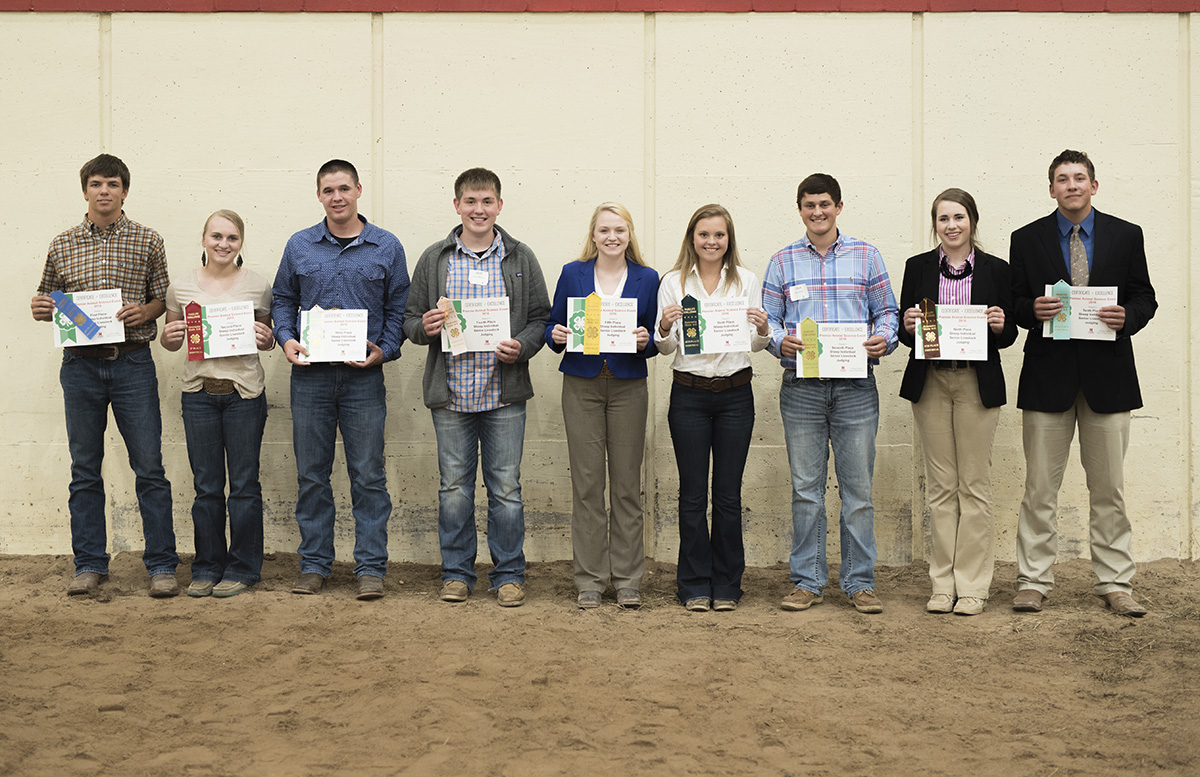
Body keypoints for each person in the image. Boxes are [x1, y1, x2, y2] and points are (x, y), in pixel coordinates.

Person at [1009, 150, 1157, 617]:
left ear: (1094, 185)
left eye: (1079, 178)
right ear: (1050, 189)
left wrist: (1127, 317)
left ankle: (1115, 582)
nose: (1071, 185)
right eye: (1061, 179)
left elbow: (1145, 297)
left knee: (1109, 487)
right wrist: (1031, 310)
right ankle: (1033, 580)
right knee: (1039, 487)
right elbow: (1012, 302)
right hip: (1047, 376)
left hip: (1108, 378)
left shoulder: (1126, 235)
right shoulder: (1027, 238)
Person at [30, 153, 180, 597]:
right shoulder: (62, 244)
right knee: (84, 470)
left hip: (133, 362)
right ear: (85, 190)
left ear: (125, 191)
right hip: (79, 368)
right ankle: (90, 564)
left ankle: (161, 566)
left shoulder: (148, 240)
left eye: (112, 184)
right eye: (96, 184)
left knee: (150, 467)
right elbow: (47, 299)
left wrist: (146, 310)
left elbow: (161, 298)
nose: (104, 191)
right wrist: (40, 308)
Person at [402, 168, 550, 608]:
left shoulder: (520, 258)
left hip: (503, 394)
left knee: (505, 489)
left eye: (487, 202)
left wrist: (521, 346)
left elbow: (541, 318)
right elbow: (409, 319)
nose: (478, 210)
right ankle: (457, 573)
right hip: (450, 394)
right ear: (457, 206)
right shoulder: (435, 258)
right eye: (470, 202)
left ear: (499, 206)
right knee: (454, 489)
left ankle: (508, 575)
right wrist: (424, 327)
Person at [272, 159, 410, 601]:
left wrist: (383, 351)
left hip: (362, 381)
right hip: (309, 378)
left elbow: (398, 308)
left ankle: (370, 568)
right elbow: (282, 299)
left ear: (358, 191)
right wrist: (286, 339)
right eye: (328, 190)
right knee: (312, 475)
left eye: (344, 188)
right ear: (319, 195)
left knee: (368, 476)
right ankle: (314, 565)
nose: (337, 197)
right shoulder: (299, 245)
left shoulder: (386, 246)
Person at [762, 173, 899, 614]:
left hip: (856, 388)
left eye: (824, 204)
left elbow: (888, 313)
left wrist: (885, 339)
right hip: (801, 389)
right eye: (809, 205)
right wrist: (777, 341)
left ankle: (860, 582)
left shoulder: (867, 255)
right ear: (799, 209)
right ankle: (808, 580)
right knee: (806, 490)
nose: (817, 212)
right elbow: (767, 319)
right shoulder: (782, 261)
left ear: (839, 206)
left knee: (858, 491)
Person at [898, 189, 1017, 616]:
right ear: (935, 225)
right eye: (943, 218)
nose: (951, 225)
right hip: (930, 382)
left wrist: (1003, 325)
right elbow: (904, 331)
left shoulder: (996, 269)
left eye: (959, 217)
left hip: (975, 384)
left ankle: (972, 586)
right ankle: (941, 583)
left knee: (974, 486)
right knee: (941, 488)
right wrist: (909, 324)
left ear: (972, 221)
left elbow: (1009, 334)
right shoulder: (917, 268)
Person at [545, 203, 659, 610]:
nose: (612, 237)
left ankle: (628, 579)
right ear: (593, 235)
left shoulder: (648, 278)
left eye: (620, 230)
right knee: (588, 486)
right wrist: (556, 333)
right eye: (605, 230)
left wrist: (647, 342)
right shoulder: (572, 273)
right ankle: (590, 579)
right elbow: (552, 327)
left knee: (627, 487)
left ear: (630, 235)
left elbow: (653, 337)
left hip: (628, 386)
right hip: (581, 384)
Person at [657, 204, 769, 613]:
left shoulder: (746, 281)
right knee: (691, 495)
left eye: (719, 235)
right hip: (688, 394)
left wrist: (763, 329)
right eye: (704, 234)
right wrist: (666, 327)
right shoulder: (673, 282)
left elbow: (755, 346)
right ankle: (692, 585)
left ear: (728, 240)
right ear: (692, 238)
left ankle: (726, 584)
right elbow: (665, 347)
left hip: (736, 395)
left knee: (727, 496)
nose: (711, 241)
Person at [160, 210, 275, 598]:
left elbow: (269, 336)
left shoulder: (258, 286)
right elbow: (169, 340)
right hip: (198, 395)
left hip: (244, 393)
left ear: (241, 243)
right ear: (204, 239)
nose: (223, 244)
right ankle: (207, 567)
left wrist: (267, 338)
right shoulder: (181, 287)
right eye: (216, 236)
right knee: (206, 487)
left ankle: (243, 569)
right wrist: (171, 335)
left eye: (232, 238)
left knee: (243, 486)